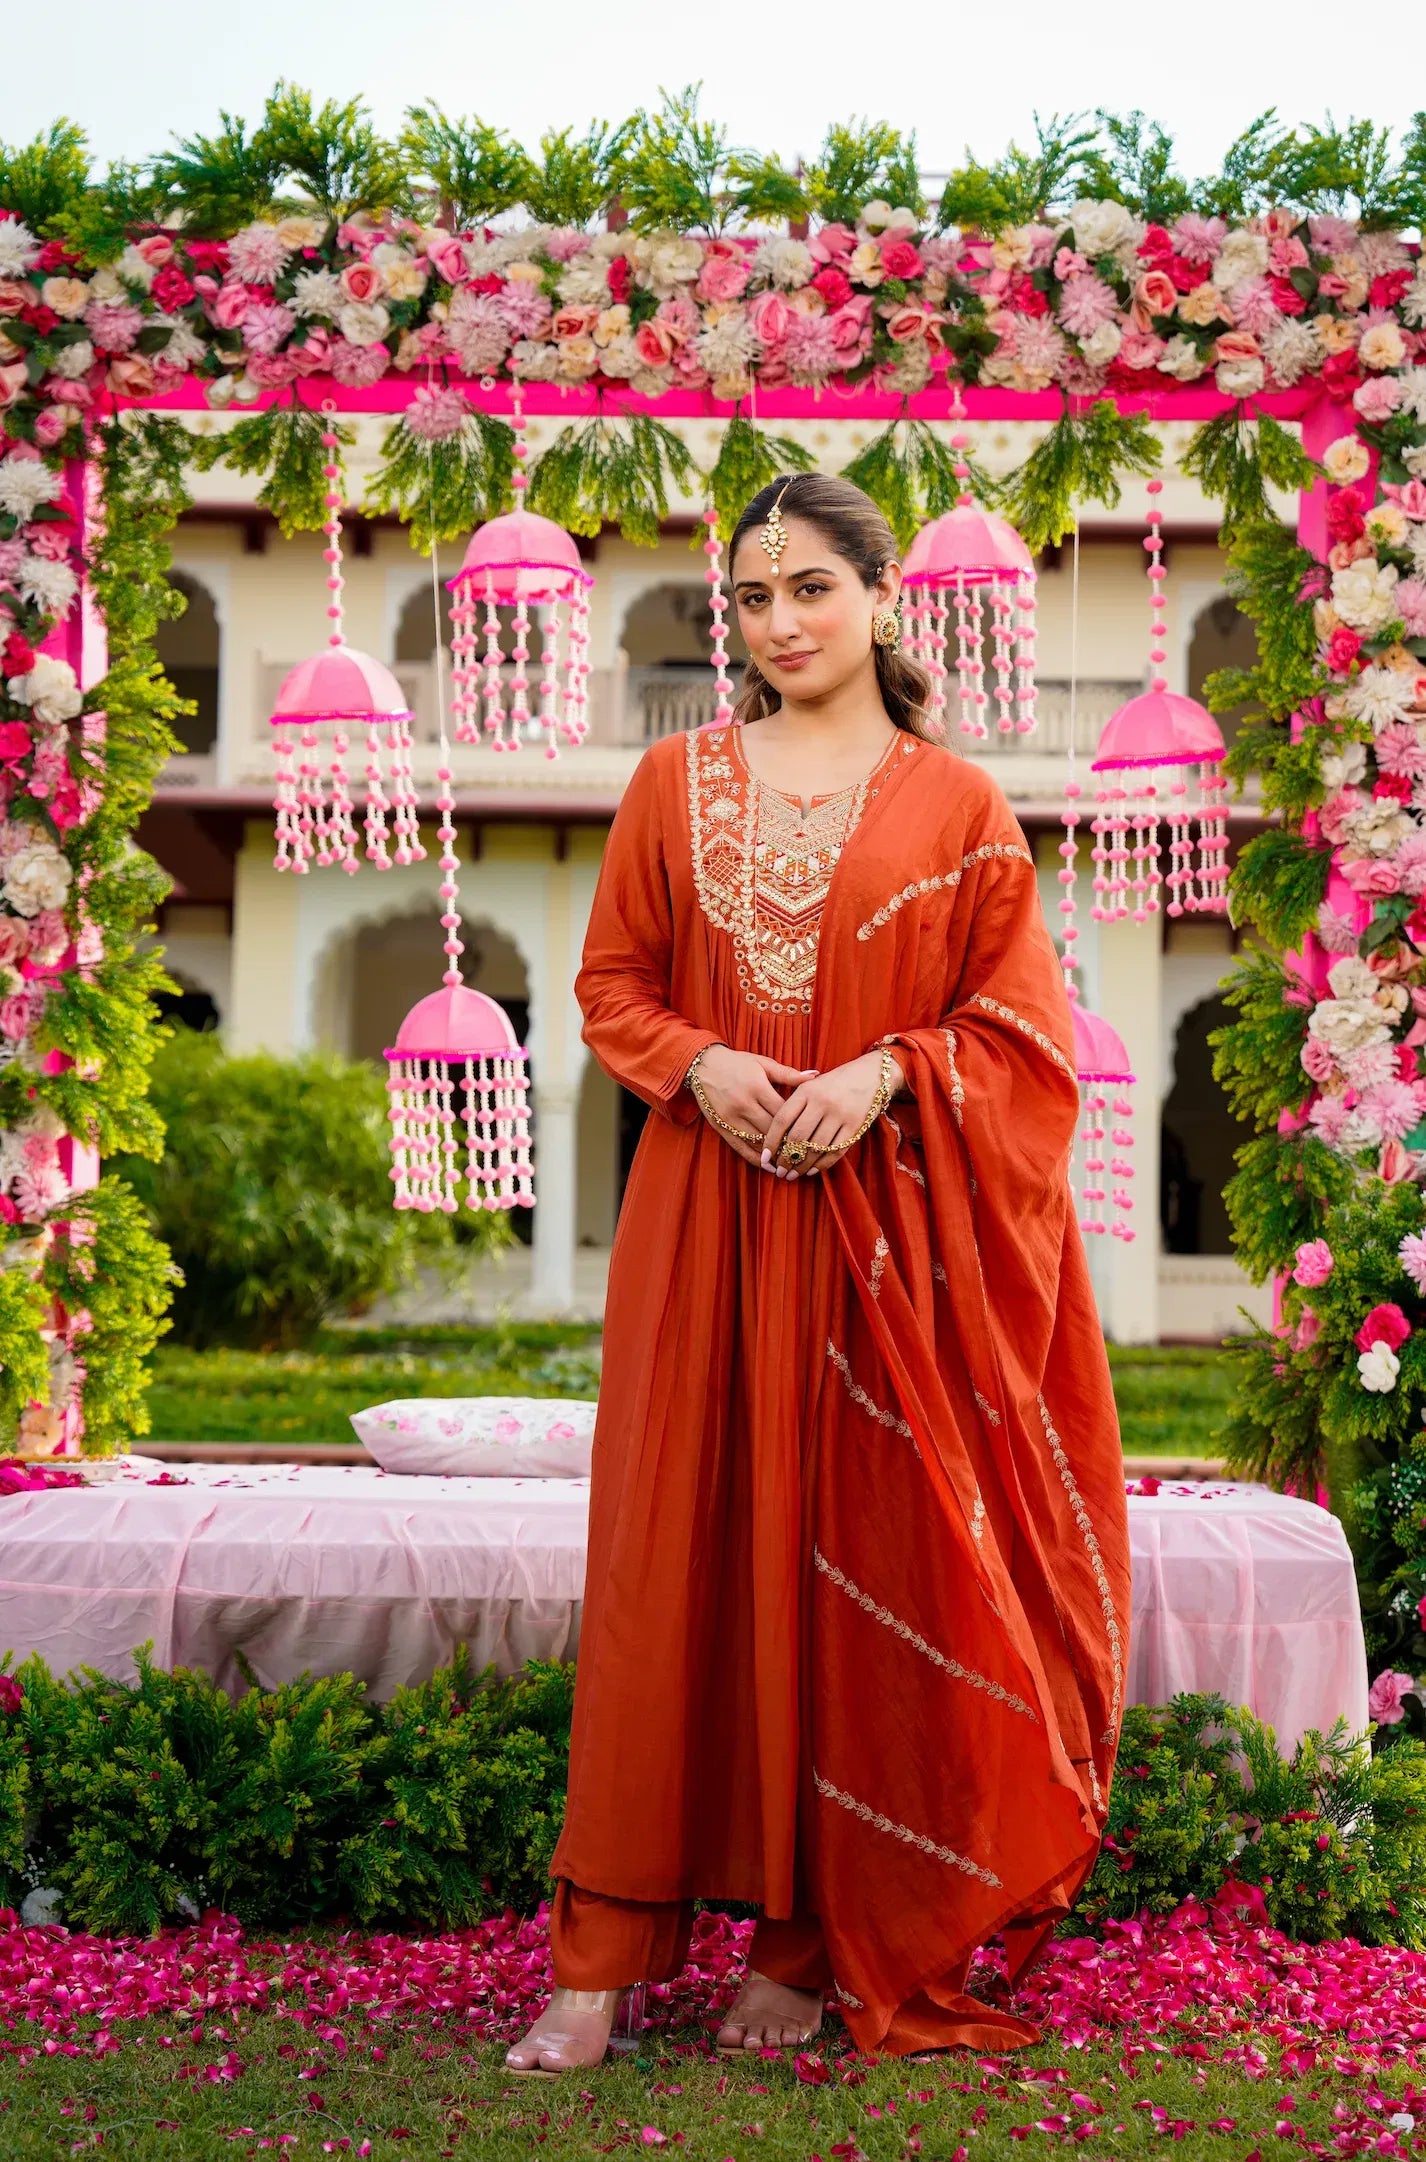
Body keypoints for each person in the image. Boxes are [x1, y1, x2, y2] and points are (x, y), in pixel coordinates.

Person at [505, 473, 1129, 2076]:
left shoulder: (958, 808)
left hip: (877, 1256)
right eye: (756, 597)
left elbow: (1022, 1040)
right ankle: (599, 1958)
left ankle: (793, 1945)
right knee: (668, 1562)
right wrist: (699, 1064)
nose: (781, 624)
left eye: (812, 591)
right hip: (702, 1225)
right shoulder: (671, 777)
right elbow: (609, 983)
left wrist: (890, 1073)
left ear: (880, 598)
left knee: (825, 1559)